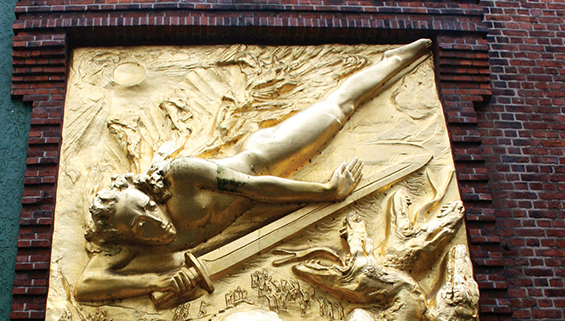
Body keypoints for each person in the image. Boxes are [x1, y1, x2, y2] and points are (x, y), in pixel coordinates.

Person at [81, 41, 429, 276]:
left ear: (148, 193)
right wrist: (154, 283)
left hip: (267, 160)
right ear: (127, 236)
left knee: (340, 105)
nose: (154, 222)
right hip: (258, 208)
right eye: (141, 226)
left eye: (147, 207)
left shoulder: (181, 174)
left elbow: (254, 188)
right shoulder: (131, 246)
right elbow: (88, 284)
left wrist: (327, 191)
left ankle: (398, 58)